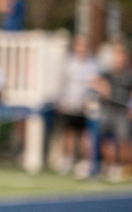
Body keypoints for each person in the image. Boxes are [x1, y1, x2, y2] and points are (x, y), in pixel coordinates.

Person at [55, 35, 100, 177]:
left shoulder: (93, 64)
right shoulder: (69, 63)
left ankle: (84, 162)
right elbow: (63, 83)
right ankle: (67, 160)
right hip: (70, 104)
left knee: (85, 135)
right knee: (68, 133)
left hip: (86, 106)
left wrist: (89, 102)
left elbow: (95, 84)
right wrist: (61, 100)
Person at [94, 43, 132, 182]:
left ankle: (123, 167)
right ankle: (111, 166)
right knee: (106, 139)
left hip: (121, 111)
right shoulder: (107, 74)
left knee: (123, 140)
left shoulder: (128, 75)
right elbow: (95, 82)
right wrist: (101, 87)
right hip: (107, 110)